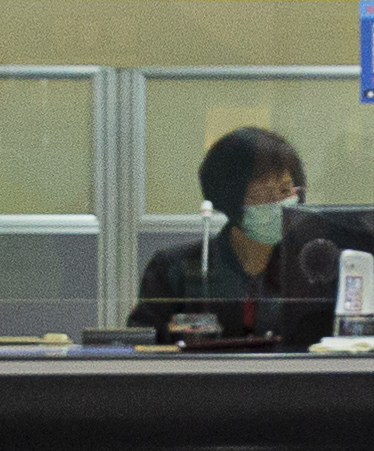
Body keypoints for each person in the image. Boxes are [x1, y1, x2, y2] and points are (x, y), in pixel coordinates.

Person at [130, 123, 353, 349]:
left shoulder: (315, 268)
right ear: (229, 196)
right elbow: (143, 345)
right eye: (264, 192)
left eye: (285, 190)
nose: (277, 203)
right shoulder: (175, 268)